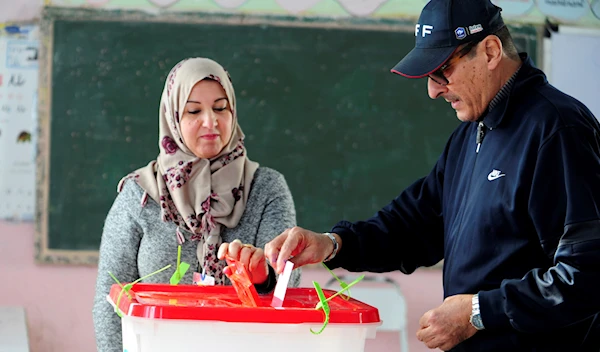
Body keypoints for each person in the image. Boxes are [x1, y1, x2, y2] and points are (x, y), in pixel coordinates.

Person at [265, 1, 600, 351]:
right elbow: (412, 226)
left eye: (443, 71)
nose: (433, 90)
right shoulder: (470, 135)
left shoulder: (557, 129)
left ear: (489, 51)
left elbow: (587, 275)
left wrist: (477, 312)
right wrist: (332, 244)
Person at [93, 57, 300, 352]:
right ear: (173, 117)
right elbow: (109, 300)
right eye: (193, 111)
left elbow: (289, 290)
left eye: (220, 108)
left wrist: (263, 276)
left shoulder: (266, 189)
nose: (210, 122)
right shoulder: (139, 194)